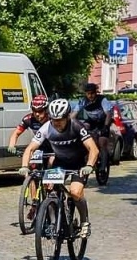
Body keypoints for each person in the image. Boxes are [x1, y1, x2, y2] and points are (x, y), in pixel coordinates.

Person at [19, 98, 98, 238]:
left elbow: (93, 149)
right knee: (49, 189)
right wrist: (25, 166)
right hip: (60, 162)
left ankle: (85, 222)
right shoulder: (46, 128)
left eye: (60, 120)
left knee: (75, 192)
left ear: (67, 117)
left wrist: (89, 165)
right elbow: (30, 149)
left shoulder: (77, 126)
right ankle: (53, 223)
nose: (57, 123)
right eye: (54, 120)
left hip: (79, 163)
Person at [75, 83, 114, 172]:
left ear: (96, 92)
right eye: (88, 93)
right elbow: (74, 114)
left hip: (103, 121)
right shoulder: (83, 101)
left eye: (92, 93)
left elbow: (108, 114)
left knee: (102, 142)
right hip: (91, 122)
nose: (90, 96)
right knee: (84, 128)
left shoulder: (102, 100)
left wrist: (106, 126)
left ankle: (103, 167)